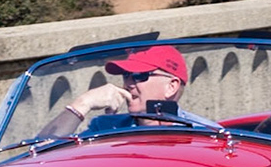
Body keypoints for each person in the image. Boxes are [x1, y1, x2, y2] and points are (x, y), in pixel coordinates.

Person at [37, 45, 193, 139]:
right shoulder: (107, 128)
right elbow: (41, 156)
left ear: (171, 86)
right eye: (126, 76)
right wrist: (83, 103)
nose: (128, 84)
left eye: (139, 76)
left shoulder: (202, 134)